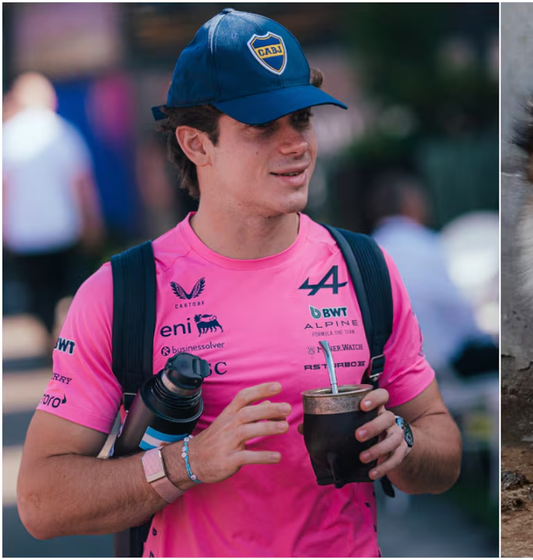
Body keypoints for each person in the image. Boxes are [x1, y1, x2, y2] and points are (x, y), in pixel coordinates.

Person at [17, 9, 462, 557]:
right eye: (262, 126)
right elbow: (41, 502)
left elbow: (441, 446)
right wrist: (189, 463)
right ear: (196, 144)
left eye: (301, 118)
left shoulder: (365, 267)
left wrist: (405, 444)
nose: (295, 144)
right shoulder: (123, 292)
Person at [2, 72, 105, 334]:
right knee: (67, 287)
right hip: (63, 228)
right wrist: (91, 219)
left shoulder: (8, 135)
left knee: (37, 293)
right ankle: (68, 335)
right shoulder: (62, 131)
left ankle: (49, 334)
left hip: (23, 233)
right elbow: (81, 182)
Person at [368, 173, 496, 376]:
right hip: (441, 362)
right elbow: (458, 311)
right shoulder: (427, 245)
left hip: (388, 368)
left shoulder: (365, 253)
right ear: (411, 205)